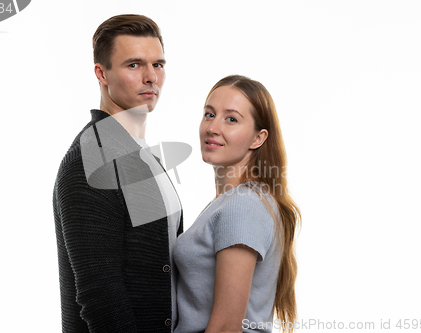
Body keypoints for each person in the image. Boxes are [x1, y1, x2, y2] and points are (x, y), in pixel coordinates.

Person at [53, 14, 183, 333]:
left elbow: (153, 268)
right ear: (102, 73)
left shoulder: (135, 154)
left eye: (159, 64)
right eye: (134, 65)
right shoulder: (92, 159)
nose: (151, 77)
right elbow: (101, 297)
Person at [174, 75, 301, 333]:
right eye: (209, 114)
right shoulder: (232, 202)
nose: (213, 127)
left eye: (231, 119)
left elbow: (225, 327)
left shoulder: (242, 206)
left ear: (258, 138)